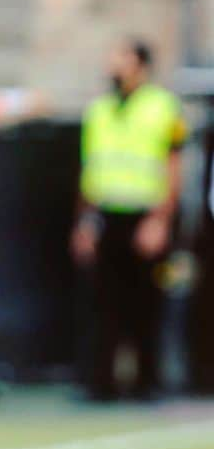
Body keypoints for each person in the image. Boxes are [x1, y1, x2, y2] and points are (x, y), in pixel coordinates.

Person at [70, 39, 187, 400]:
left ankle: (145, 382)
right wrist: (85, 221)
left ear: (141, 65)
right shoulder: (100, 109)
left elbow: (172, 165)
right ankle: (102, 382)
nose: (114, 65)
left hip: (144, 212)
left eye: (123, 58)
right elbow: (91, 167)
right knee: (104, 301)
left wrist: (160, 219)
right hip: (107, 212)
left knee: (145, 302)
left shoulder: (163, 107)